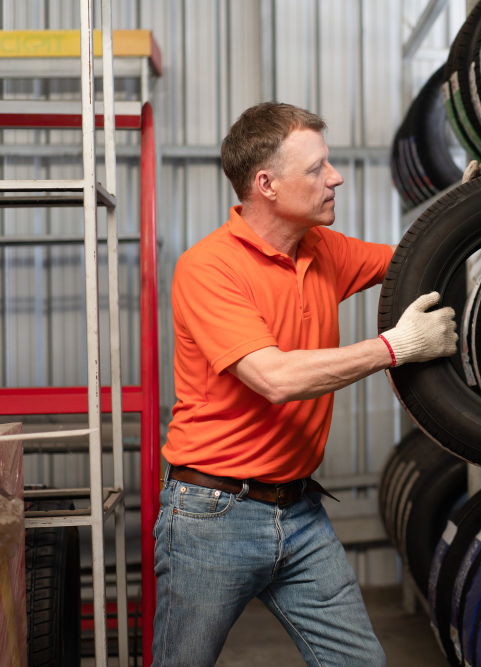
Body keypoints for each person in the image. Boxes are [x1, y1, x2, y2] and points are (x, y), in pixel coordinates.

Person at [152, 102, 457, 667]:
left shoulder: (323, 250)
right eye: (316, 168)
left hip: (299, 512)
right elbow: (273, 377)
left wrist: (471, 202)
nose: (335, 177)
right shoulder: (209, 268)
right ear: (266, 184)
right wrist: (395, 347)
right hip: (212, 517)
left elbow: (422, 258)